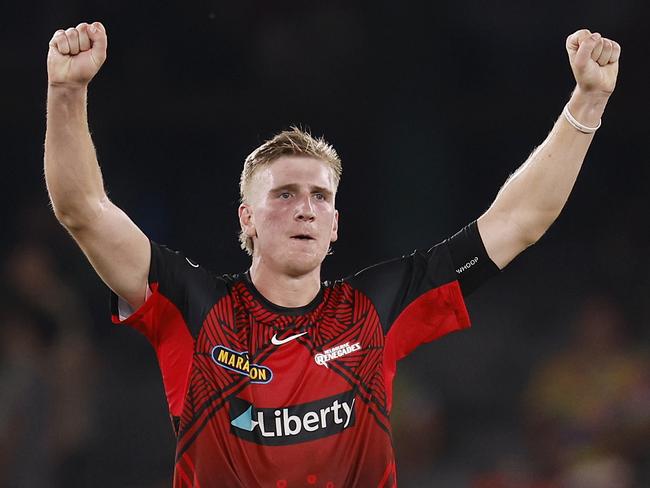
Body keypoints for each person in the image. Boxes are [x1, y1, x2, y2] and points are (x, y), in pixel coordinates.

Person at [44, 21, 620, 488]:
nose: (305, 209)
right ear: (246, 217)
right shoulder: (191, 305)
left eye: (321, 196)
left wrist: (587, 105)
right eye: (285, 194)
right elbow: (83, 212)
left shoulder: (379, 305)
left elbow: (519, 221)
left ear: (336, 224)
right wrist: (67, 92)